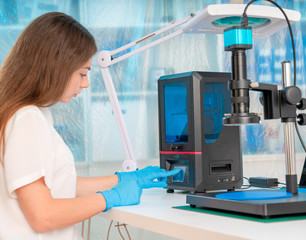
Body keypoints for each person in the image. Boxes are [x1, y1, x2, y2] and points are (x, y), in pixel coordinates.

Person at [0, 12, 179, 239]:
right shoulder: (26, 118)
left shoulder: (30, 114)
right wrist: (109, 198)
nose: (85, 84)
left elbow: (57, 184)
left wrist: (123, 179)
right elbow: (42, 215)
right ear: (56, 66)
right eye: (83, 73)